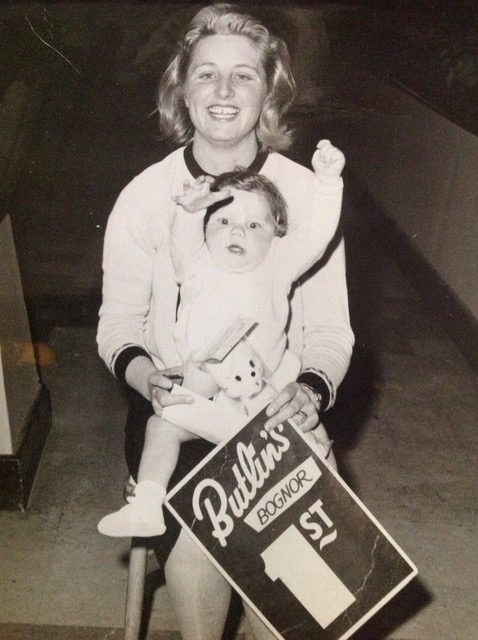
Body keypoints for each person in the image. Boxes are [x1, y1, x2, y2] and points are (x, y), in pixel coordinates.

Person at [97, 4, 354, 639]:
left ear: (270, 92)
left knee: (291, 584)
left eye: (243, 76)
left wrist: (312, 390)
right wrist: (151, 378)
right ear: (180, 87)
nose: (223, 91)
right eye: (206, 73)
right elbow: (118, 327)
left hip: (273, 410)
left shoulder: (304, 197)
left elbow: (330, 332)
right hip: (179, 414)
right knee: (202, 544)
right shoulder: (145, 195)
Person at [98, 144, 344, 538]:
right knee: (161, 428)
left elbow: (316, 237)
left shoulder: (277, 267)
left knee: (314, 440)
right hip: (211, 406)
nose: (236, 232)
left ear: (276, 237)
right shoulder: (194, 266)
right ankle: (146, 505)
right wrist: (189, 210)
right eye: (224, 220)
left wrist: (328, 184)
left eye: (254, 226)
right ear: (206, 228)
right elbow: (181, 239)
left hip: (266, 410)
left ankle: (333, 518)